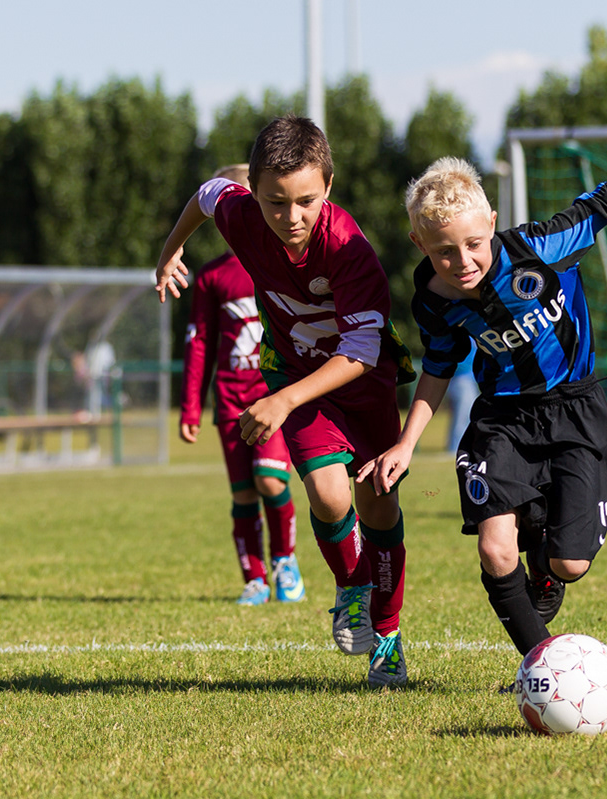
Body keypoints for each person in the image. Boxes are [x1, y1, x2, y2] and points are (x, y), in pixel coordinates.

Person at [357, 98, 607, 665]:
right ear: (420, 247)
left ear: (492, 226)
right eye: (444, 251)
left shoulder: (541, 247)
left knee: (566, 565)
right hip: (501, 421)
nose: (463, 261)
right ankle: (541, 665)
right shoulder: (432, 299)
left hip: (576, 410)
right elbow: (438, 367)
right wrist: (406, 444)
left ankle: (547, 572)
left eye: (474, 244)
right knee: (495, 549)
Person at [155, 116, 415, 689]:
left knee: (378, 507)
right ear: (254, 193)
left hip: (361, 386)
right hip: (296, 376)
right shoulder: (239, 215)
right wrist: (170, 253)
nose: (291, 218)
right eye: (275, 203)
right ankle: (351, 589)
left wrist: (280, 402)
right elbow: (204, 196)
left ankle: (389, 634)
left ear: (329, 187)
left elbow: (360, 352)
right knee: (326, 494)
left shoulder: (349, 249)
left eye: (306, 201)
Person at [179, 164, 304, 607]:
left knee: (271, 480)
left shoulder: (285, 260)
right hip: (229, 398)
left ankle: (285, 560)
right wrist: (191, 407)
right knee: (243, 492)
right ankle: (254, 578)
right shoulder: (212, 276)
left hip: (273, 394)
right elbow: (200, 343)